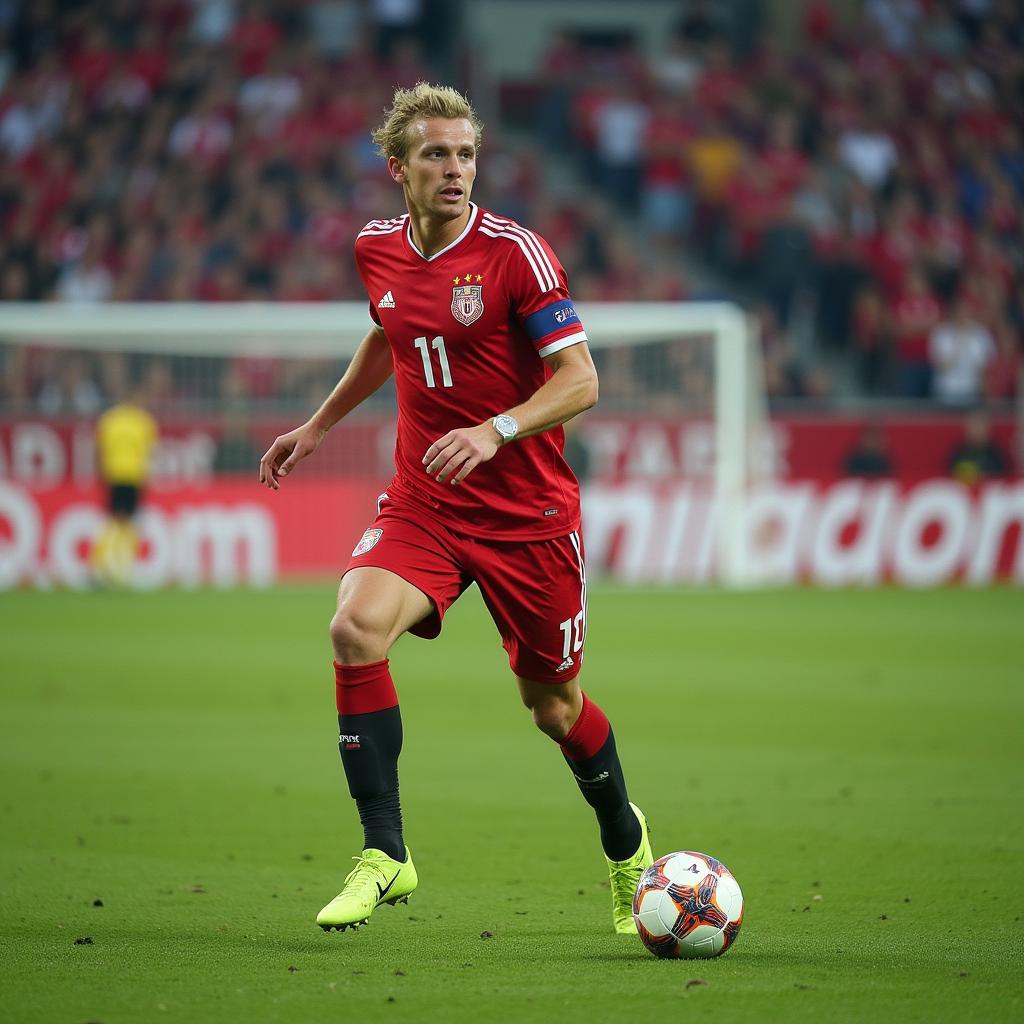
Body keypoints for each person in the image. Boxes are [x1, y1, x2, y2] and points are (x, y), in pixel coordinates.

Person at [259, 83, 652, 936]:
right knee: (353, 627)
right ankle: (386, 853)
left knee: (552, 706)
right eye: (437, 154)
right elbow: (390, 333)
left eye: (467, 154)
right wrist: (319, 424)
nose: (456, 170)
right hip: (427, 501)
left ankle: (627, 848)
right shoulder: (376, 249)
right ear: (397, 168)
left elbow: (581, 379)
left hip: (529, 520)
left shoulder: (518, 254)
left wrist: (497, 430)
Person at [91, 385, 158, 586]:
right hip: (133, 476)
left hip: (114, 475)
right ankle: (116, 567)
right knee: (126, 523)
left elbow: (98, 450)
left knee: (115, 521)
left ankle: (106, 564)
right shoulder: (144, 422)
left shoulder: (109, 419)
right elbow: (149, 452)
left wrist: (101, 472)